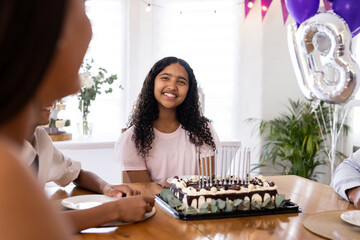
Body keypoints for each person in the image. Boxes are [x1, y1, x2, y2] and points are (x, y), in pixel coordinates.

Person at [0, 0, 153, 238]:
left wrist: (107, 189)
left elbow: (75, 174)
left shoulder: (27, 146)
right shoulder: (7, 167)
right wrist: (112, 210)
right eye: (83, 8)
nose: (90, 30)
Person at [23, 103, 154, 232]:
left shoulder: (40, 137)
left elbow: (76, 173)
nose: (53, 101)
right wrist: (116, 210)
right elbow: (28, 225)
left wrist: (106, 187)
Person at [114, 56, 220, 183]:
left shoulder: (203, 131)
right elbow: (147, 192)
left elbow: (207, 185)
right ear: (153, 82)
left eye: (181, 82)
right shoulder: (133, 139)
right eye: (165, 78)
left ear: (189, 90)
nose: (172, 86)